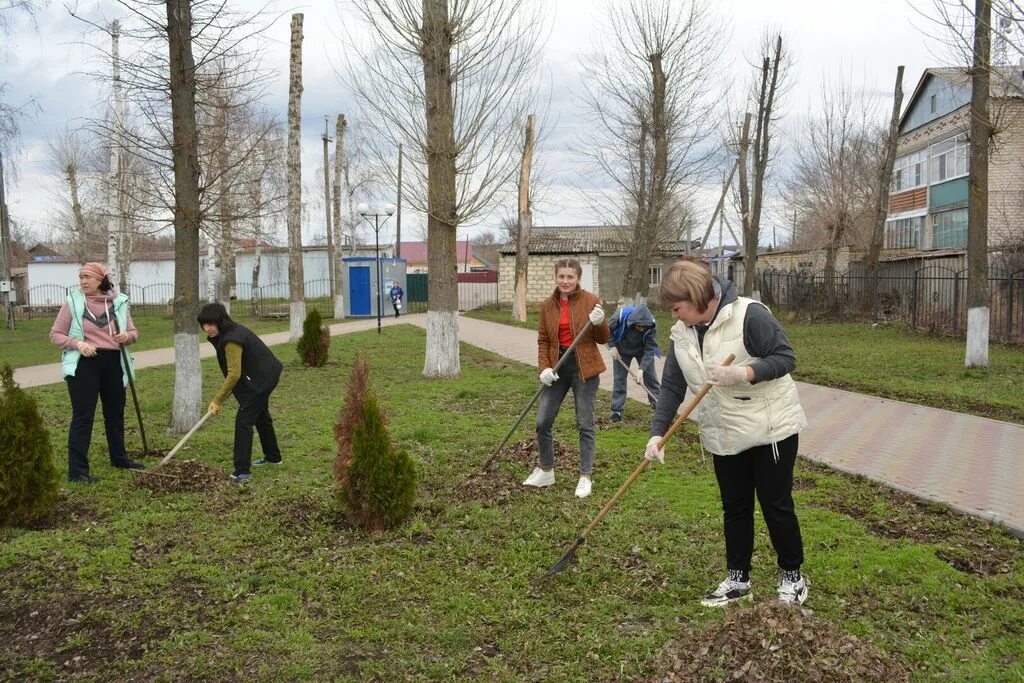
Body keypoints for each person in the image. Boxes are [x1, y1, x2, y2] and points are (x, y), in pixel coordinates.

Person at [644, 260, 809, 607]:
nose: (674, 317)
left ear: (695, 297)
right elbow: (672, 386)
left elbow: (785, 358)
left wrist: (744, 373)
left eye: (677, 308)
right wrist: (657, 434)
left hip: (770, 427)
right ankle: (738, 579)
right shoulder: (682, 333)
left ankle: (793, 578)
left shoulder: (749, 315)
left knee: (775, 505)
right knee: (735, 507)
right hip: (724, 430)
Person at [49, 262, 144, 483]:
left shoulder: (119, 303)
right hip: (84, 363)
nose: (82, 281)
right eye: (80, 277)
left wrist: (126, 337)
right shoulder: (72, 302)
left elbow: (133, 332)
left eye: (87, 277)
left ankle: (119, 458)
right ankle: (78, 471)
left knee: (115, 413)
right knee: (83, 417)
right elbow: (55, 335)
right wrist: (78, 344)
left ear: (100, 279)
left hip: (113, 362)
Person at [523, 258, 609, 499]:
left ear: (578, 278)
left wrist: (600, 322)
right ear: (556, 277)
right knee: (542, 421)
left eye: (570, 277)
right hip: (557, 367)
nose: (566, 281)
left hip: (584, 368)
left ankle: (585, 476)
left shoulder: (591, 301)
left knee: (584, 423)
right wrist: (544, 368)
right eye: (562, 276)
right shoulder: (547, 306)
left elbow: (603, 338)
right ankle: (547, 470)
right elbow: (543, 340)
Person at [198, 302, 284, 484]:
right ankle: (273, 457)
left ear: (220, 321)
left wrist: (218, 400)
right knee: (261, 416)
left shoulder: (231, 340)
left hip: (262, 379)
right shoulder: (230, 330)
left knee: (244, 421)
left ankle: (242, 471)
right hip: (266, 374)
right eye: (204, 324)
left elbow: (234, 374)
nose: (207, 328)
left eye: (211, 324)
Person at [607, 303, 661, 422]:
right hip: (621, 350)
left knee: (651, 379)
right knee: (619, 379)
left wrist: (641, 370)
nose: (642, 329)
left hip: (642, 350)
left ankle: (659, 407)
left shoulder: (651, 325)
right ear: (632, 323)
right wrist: (612, 346)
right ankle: (617, 410)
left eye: (644, 328)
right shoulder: (620, 316)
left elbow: (651, 348)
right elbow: (607, 330)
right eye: (639, 327)